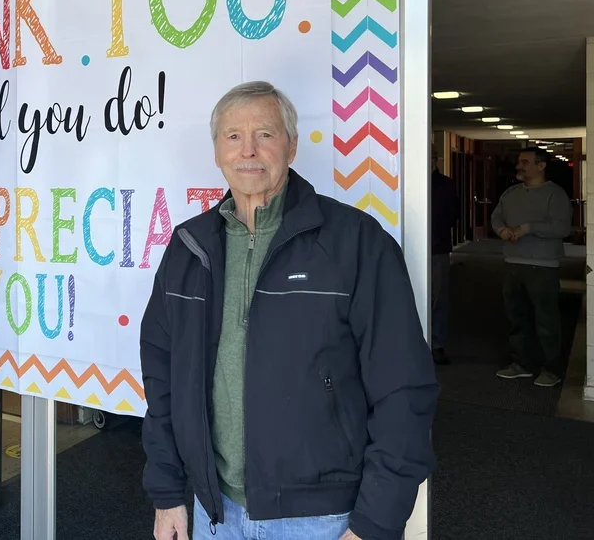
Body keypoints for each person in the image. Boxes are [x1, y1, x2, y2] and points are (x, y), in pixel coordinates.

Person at [140, 81, 438, 540]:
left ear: (292, 146)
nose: (249, 150)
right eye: (233, 136)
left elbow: (404, 389)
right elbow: (163, 382)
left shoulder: (356, 243)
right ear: (217, 151)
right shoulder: (188, 248)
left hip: (323, 519)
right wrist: (167, 495)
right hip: (212, 511)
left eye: (266, 133)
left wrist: (375, 522)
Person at [491, 147, 572, 388]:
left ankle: (551, 369)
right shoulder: (510, 193)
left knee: (546, 320)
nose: (520, 166)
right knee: (516, 316)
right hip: (513, 262)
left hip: (542, 265)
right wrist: (502, 230)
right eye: (519, 162)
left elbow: (561, 228)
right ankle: (521, 364)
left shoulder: (555, 195)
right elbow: (496, 218)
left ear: (541, 165)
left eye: (525, 162)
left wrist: (527, 228)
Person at [431, 148, 459, 365]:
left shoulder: (446, 184)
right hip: (406, 246)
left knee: (438, 297)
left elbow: (452, 215)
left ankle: (436, 344)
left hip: (437, 247)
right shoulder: (405, 180)